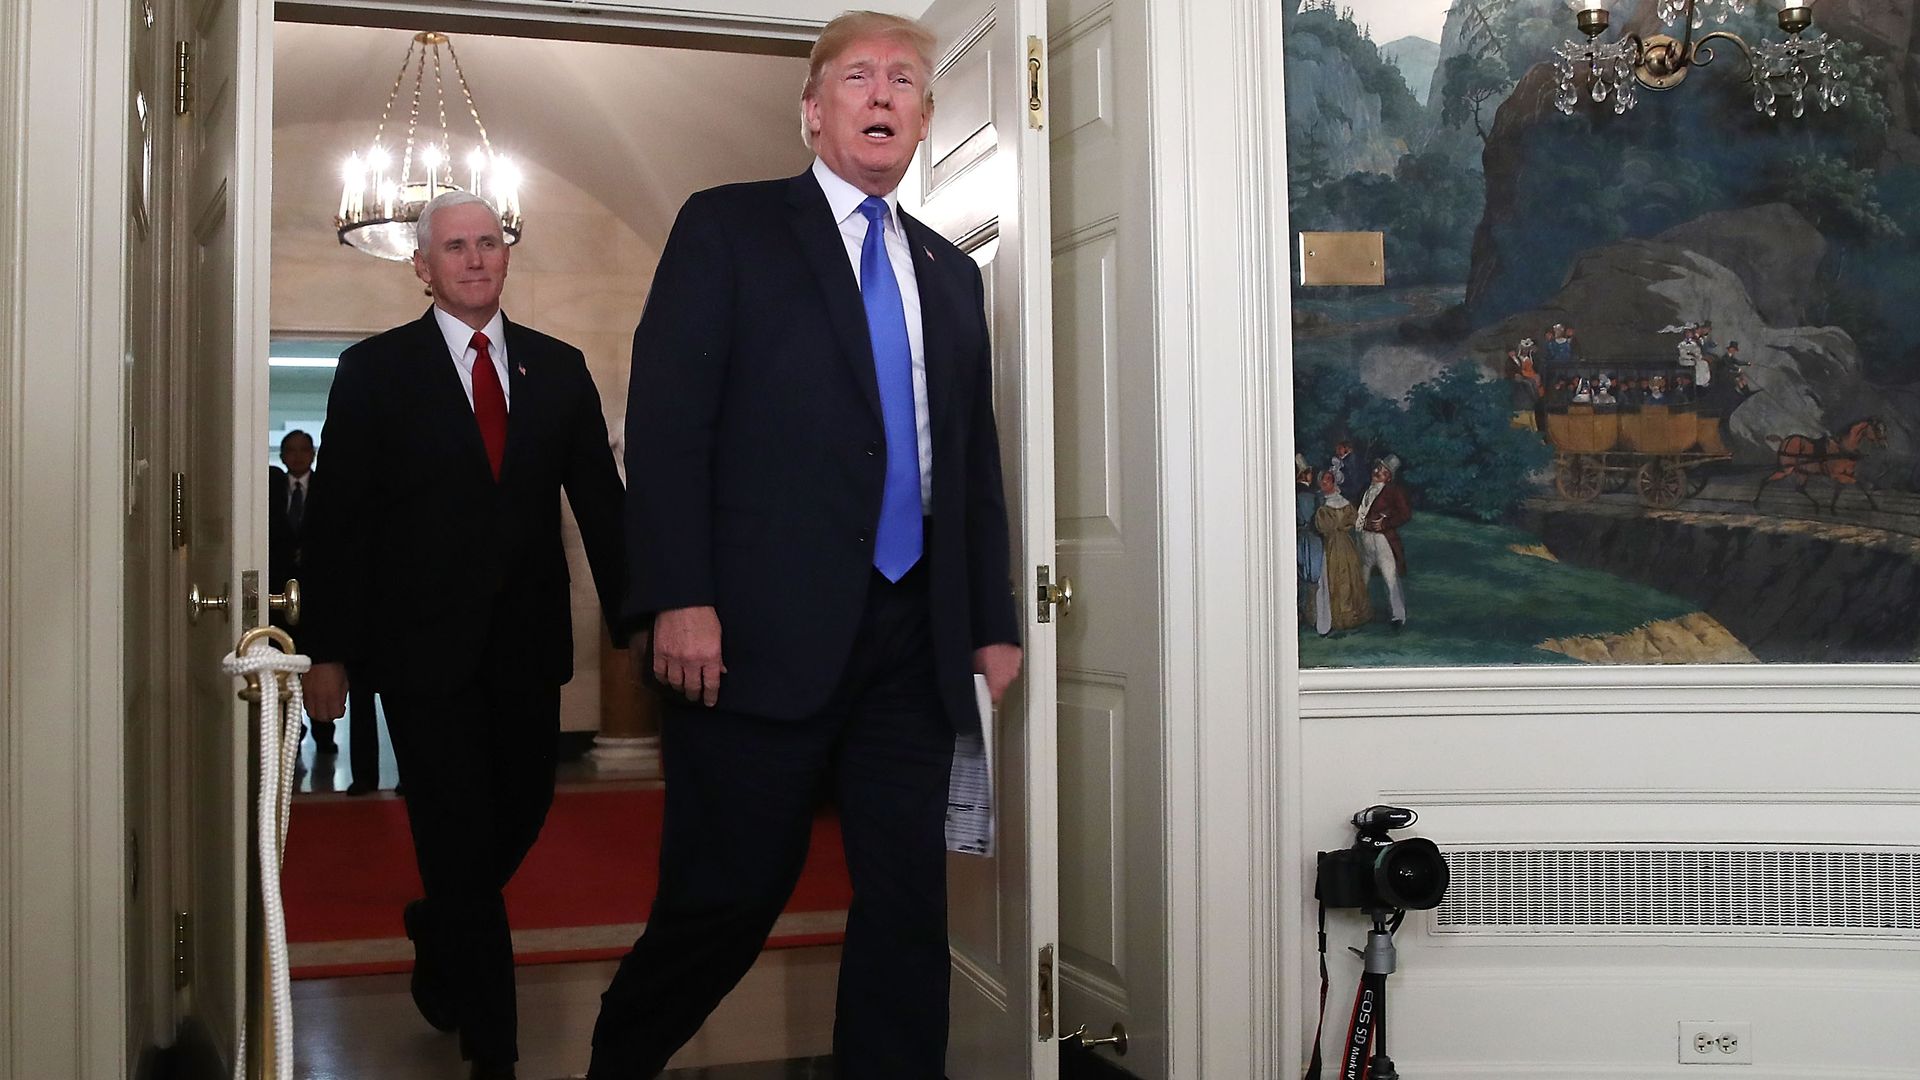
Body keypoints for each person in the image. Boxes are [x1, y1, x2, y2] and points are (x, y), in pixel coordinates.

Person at [589, 12, 1022, 1079]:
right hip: (751, 636)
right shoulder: (728, 228)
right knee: (724, 898)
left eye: (905, 81)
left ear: (924, 116)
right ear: (813, 110)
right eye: (859, 76)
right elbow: (669, 425)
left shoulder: (950, 272)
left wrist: (993, 620)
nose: (883, 95)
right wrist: (678, 594)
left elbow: (969, 460)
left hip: (913, 637)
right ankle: (618, 1063)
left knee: (908, 904)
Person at [299, 190, 629, 1080]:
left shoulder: (558, 368)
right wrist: (327, 651)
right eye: (455, 247)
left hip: (527, 651)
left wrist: (644, 617)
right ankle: (495, 1056)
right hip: (420, 657)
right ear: (422, 266)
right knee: (456, 846)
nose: (475, 258)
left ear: (507, 254)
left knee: (518, 817)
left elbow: (603, 507)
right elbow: (339, 523)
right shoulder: (373, 371)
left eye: (489, 242)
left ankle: (436, 922)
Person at [269, 430, 331, 752]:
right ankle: (288, 731)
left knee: (317, 660)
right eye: (290, 450)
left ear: (313, 453)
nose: (297, 456)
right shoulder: (270, 487)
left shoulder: (327, 488)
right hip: (278, 593)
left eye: (303, 450)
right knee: (282, 662)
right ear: (282, 455)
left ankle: (324, 731)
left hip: (316, 592)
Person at [1355, 454, 1411, 629]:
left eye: (1383, 471)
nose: (1378, 472)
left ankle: (1398, 615)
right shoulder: (1366, 489)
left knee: (1389, 575)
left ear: (1389, 477)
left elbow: (1405, 514)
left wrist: (1385, 523)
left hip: (1382, 540)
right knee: (1362, 575)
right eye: (1378, 468)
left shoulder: (1393, 491)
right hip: (1363, 537)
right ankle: (1359, 610)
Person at [1314, 469, 1370, 633]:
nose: (1324, 483)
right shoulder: (1323, 504)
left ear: (1334, 483)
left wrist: (1338, 527)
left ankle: (1347, 616)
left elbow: (1352, 521)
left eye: (1327, 480)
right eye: (1322, 481)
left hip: (1340, 545)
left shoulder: (1339, 504)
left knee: (1346, 576)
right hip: (1333, 544)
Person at [1297, 456, 1328, 634]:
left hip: (1301, 536)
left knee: (1303, 572)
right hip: (1311, 537)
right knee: (1313, 576)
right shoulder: (1311, 495)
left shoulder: (1296, 493)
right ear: (1305, 475)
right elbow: (1316, 518)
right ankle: (1311, 615)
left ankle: (1305, 614)